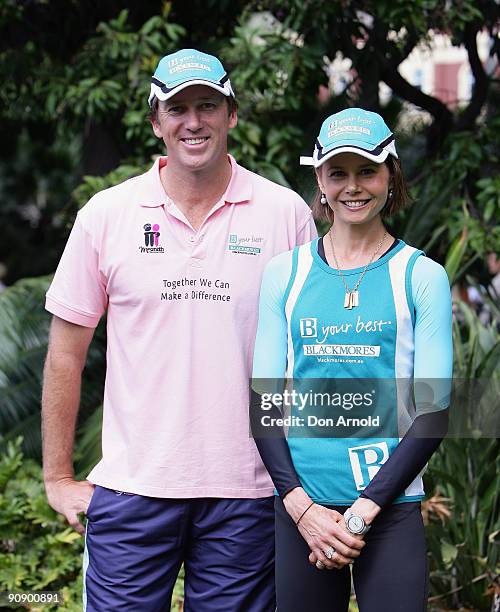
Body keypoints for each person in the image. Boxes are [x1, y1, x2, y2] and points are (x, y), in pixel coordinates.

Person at [42, 48, 316, 611]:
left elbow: (305, 356)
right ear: (156, 123)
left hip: (247, 492)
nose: (194, 121)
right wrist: (58, 476)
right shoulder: (107, 214)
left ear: (231, 114)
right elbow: (66, 354)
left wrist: (307, 484)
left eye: (208, 106)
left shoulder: (284, 213)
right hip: (132, 488)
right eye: (178, 109)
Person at [251, 108, 453, 611]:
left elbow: (434, 412)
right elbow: (263, 404)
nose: (353, 186)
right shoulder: (285, 273)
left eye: (367, 170)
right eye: (338, 172)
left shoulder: (420, 276)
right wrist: (301, 509)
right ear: (319, 178)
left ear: (391, 174)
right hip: (303, 511)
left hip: (389, 508)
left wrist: (363, 512)